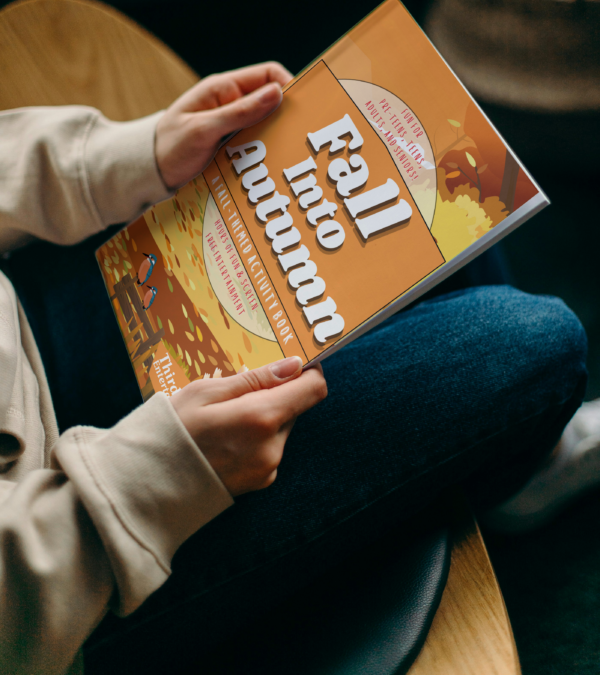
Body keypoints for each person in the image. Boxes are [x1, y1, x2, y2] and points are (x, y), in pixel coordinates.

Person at [0, 62, 590, 675]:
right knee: (533, 341)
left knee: (437, 165)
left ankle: (512, 454)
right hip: (75, 572)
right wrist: (146, 484)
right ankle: (522, 469)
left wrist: (123, 157)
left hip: (26, 309)